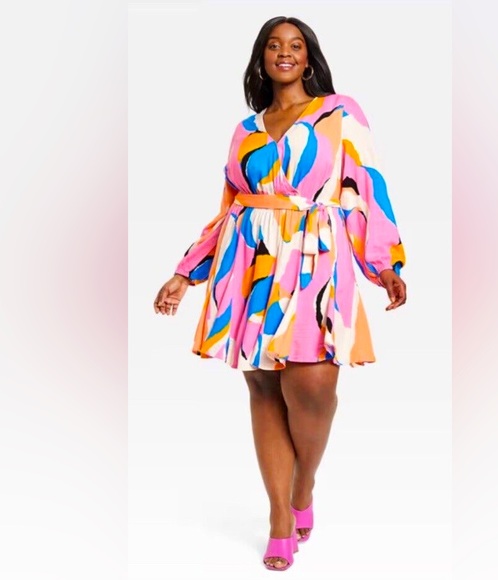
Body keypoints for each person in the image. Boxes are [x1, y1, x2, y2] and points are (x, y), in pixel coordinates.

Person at [153, 15, 407, 571]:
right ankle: (278, 517)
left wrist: (385, 264)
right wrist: (186, 274)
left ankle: (302, 486)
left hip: (316, 261)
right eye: (273, 45)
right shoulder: (246, 130)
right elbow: (229, 208)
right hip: (251, 264)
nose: (284, 52)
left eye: (295, 45)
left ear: (309, 58)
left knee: (313, 387)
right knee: (265, 389)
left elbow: (367, 188)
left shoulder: (339, 113)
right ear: (261, 59)